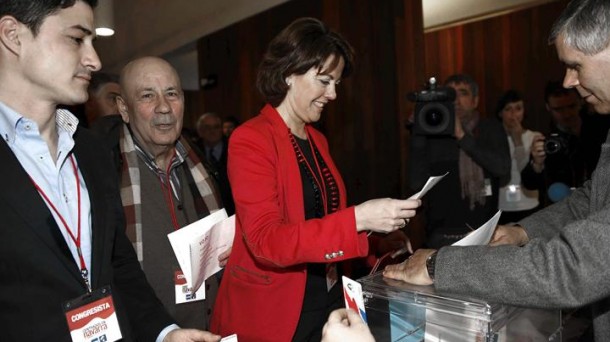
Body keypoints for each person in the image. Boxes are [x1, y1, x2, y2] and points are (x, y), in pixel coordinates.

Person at [384, 1, 610, 340]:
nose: (568, 80)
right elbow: (592, 199)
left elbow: (571, 268)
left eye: (575, 65)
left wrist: (437, 266)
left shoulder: (487, 130)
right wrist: (521, 232)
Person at [0, 1, 219, 341]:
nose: (95, 60)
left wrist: (164, 332)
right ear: (13, 35)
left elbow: (118, 267)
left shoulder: (91, 151)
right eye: (76, 39)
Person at [210, 17, 421, 342]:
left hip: (327, 298)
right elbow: (267, 242)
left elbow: (322, 221)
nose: (333, 94)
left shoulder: (316, 139)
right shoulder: (250, 138)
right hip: (275, 311)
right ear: (288, 74)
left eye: (336, 82)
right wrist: (359, 218)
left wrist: (376, 241)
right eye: (324, 81)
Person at [93, 56, 230, 330]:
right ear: (123, 108)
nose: (164, 107)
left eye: (172, 94)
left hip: (215, 328)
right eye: (147, 96)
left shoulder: (200, 166)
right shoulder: (102, 174)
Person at [408, 74, 510, 248]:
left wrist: (462, 136)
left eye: (462, 93)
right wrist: (418, 132)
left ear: (475, 100)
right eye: (450, 94)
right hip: (440, 235)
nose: (455, 99)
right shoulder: (432, 133)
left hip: (485, 233)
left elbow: (502, 168)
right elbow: (416, 184)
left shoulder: (489, 128)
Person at [521, 80, 610, 205]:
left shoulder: (601, 130)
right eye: (558, 109)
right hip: (561, 210)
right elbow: (529, 184)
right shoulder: (549, 142)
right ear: (548, 107)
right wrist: (537, 164)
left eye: (571, 106)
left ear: (580, 102)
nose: (567, 114)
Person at [495, 90, 541, 223]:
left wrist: (518, 140)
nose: (513, 114)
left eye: (518, 108)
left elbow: (529, 172)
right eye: (508, 109)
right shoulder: (494, 140)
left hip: (529, 203)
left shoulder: (534, 136)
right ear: (500, 113)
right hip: (501, 205)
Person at [195, 112, 234, 215]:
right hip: (205, 210)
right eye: (207, 127)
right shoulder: (192, 152)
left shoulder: (234, 148)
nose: (212, 131)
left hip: (232, 209)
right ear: (200, 131)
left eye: (216, 127)